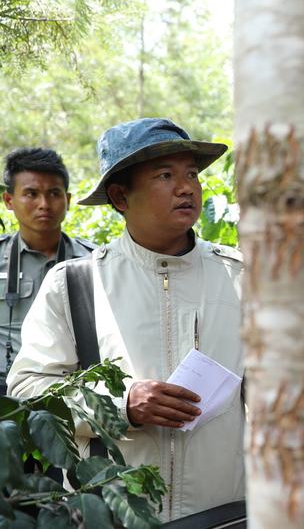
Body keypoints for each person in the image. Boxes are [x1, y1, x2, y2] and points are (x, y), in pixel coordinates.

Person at [7, 118, 245, 522]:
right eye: (165, 175)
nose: (187, 187)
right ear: (120, 196)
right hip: (113, 511)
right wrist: (120, 405)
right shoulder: (75, 284)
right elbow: (29, 392)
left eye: (191, 173)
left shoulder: (241, 277)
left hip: (223, 512)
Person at [1, 148, 94, 394]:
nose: (44, 204)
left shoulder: (93, 262)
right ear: (9, 201)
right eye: (31, 193)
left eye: (54, 193)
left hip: (73, 396)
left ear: (68, 200)